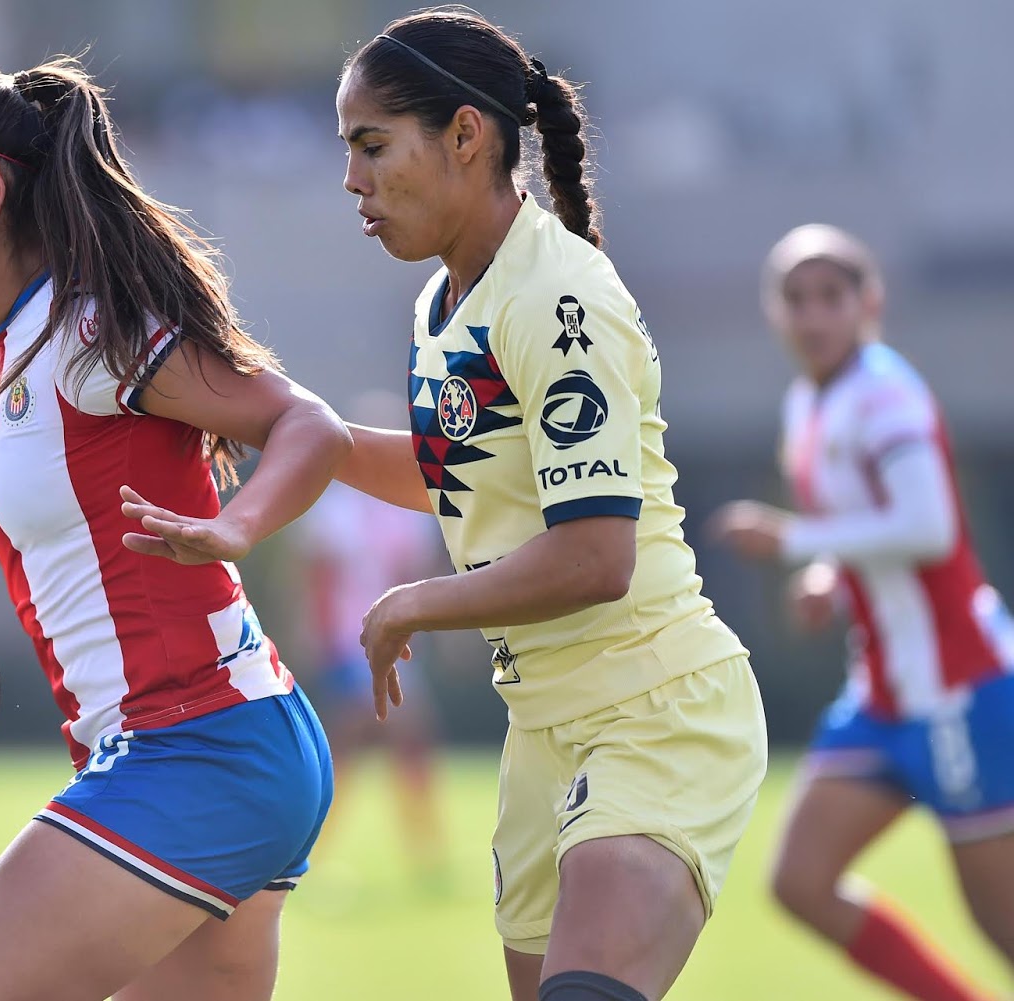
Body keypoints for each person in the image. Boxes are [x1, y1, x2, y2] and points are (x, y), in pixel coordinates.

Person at [301, 8, 768, 1000]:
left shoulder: (555, 299)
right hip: (540, 731)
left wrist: (409, 601)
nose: (352, 179)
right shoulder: (442, 302)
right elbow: (458, 474)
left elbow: (598, 554)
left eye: (371, 145)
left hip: (653, 711)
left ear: (466, 136)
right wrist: (311, 442)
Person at [0, 57, 348, 1001]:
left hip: (200, 750)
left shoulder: (85, 336)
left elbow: (308, 426)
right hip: (194, 753)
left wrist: (239, 525)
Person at [713, 224, 1014, 1001]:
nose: (812, 315)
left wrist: (789, 538)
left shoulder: (885, 393)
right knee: (799, 882)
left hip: (958, 689)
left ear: (868, 303)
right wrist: (829, 575)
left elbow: (929, 526)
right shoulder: (810, 402)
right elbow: (874, 529)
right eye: (793, 298)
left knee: (1001, 923)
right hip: (881, 693)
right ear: (774, 312)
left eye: (829, 296)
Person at [291, 391, 450, 886]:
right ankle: (314, 851)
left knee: (390, 744)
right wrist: (321, 642)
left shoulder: (408, 509)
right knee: (372, 743)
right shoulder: (334, 508)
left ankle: (320, 851)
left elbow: (420, 576)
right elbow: (318, 580)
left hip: (398, 647)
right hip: (350, 644)